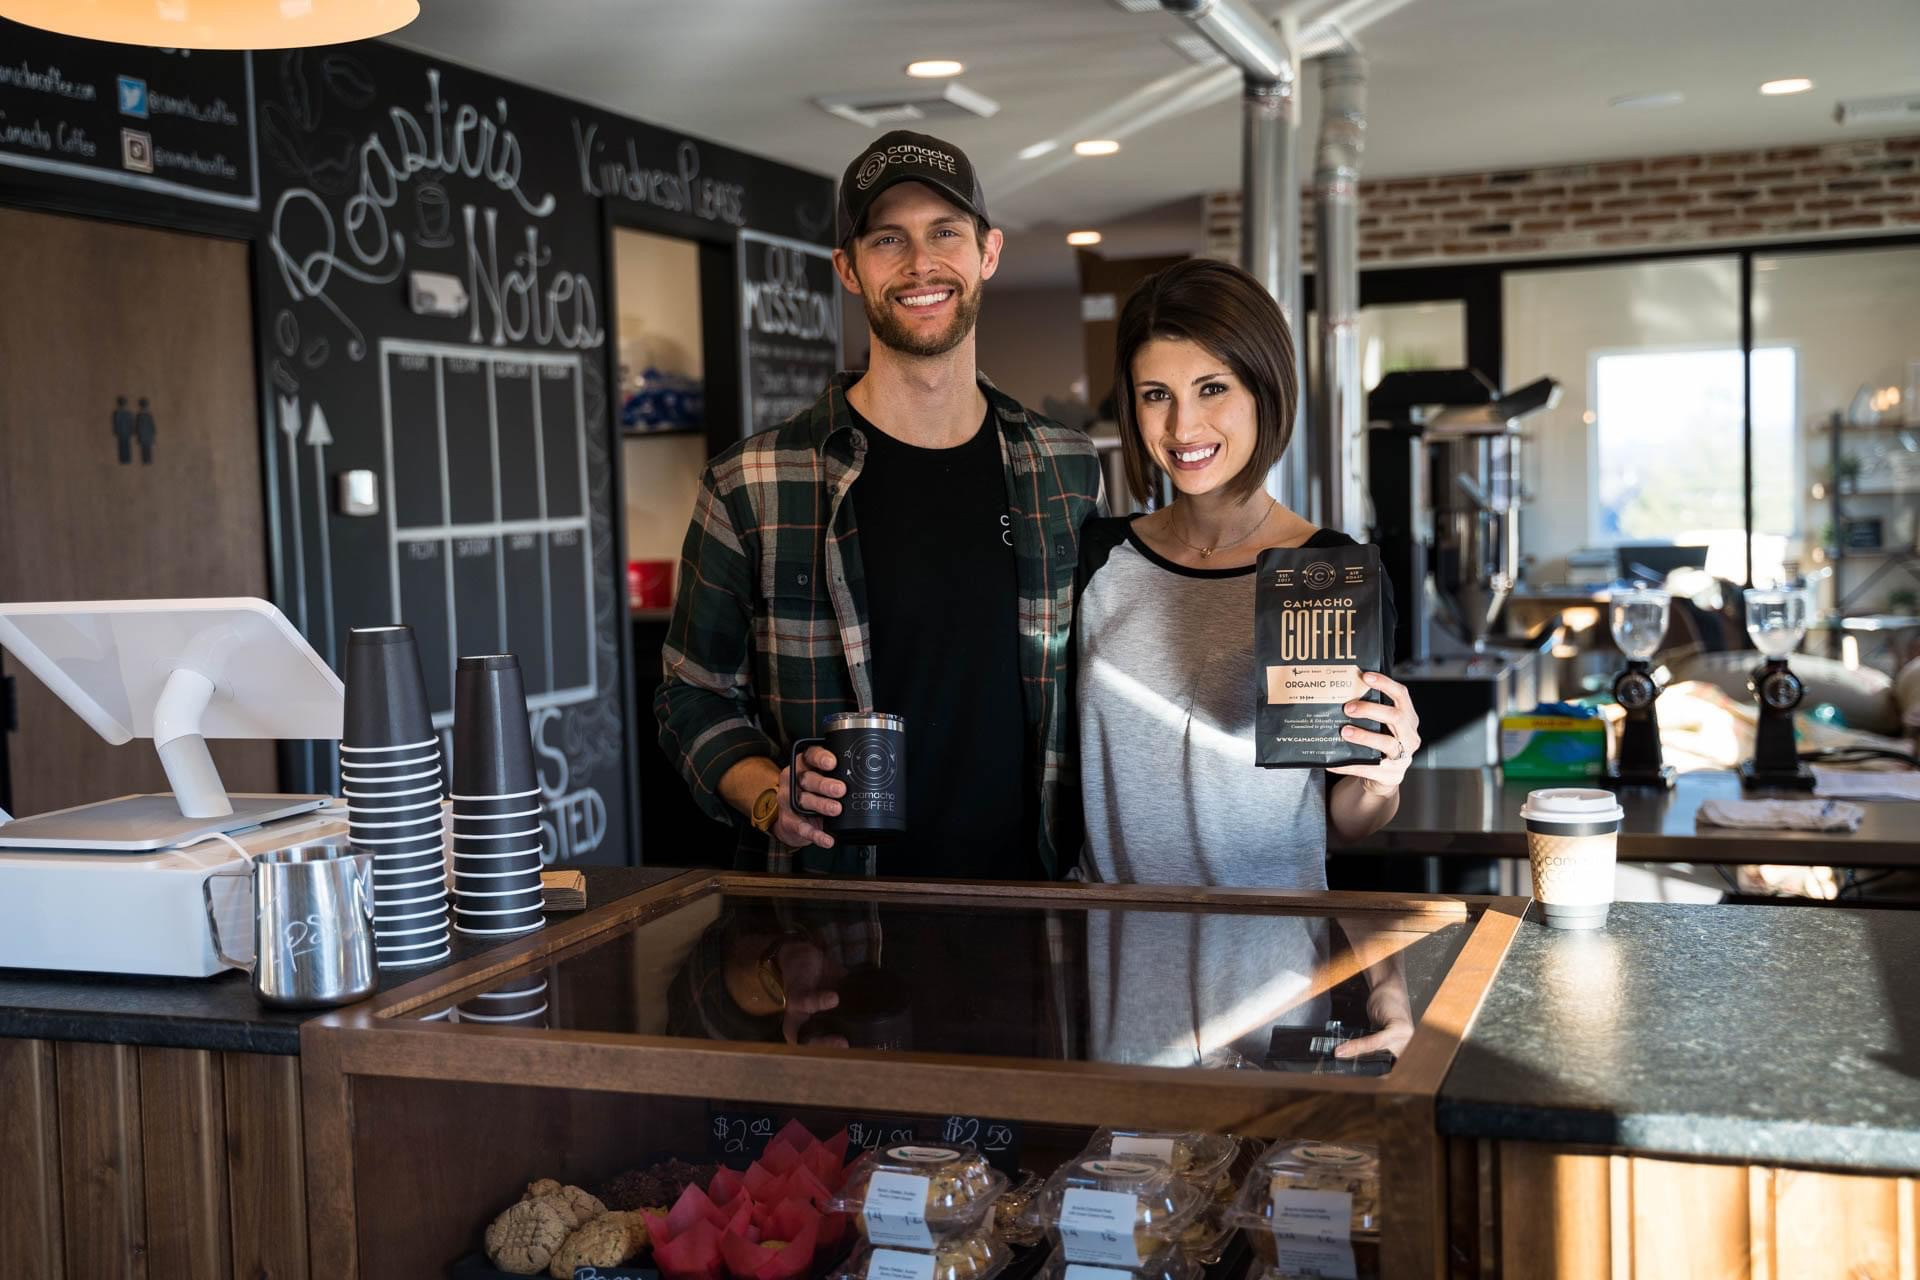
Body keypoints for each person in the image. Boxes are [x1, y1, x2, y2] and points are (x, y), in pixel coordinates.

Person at [655, 130, 1103, 878]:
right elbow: (689, 694)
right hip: (830, 924)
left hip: (1032, 909)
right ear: (849, 270)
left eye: (945, 234)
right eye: (888, 239)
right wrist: (771, 795)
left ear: (988, 253)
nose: (920, 264)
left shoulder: (1066, 467)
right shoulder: (751, 482)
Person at [1074, 257, 1421, 1059]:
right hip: (1115, 968)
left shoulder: (1330, 568)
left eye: (1212, 388)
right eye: (1156, 395)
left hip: (1273, 973)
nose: (1183, 428)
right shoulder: (1094, 559)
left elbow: (1348, 821)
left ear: (1266, 389)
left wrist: (1382, 777)